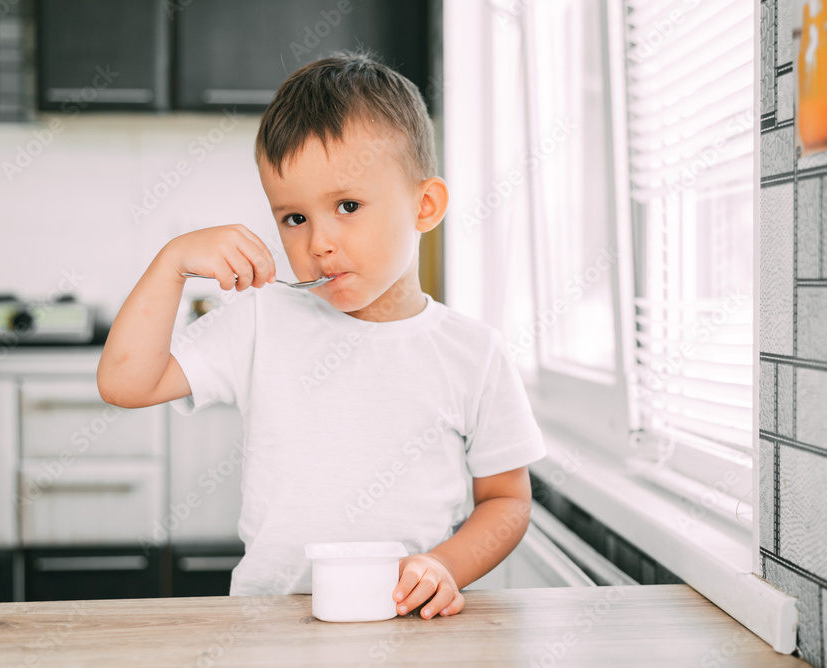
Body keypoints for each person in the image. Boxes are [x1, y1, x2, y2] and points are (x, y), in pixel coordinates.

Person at [96, 53, 546, 620]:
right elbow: (125, 384)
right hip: (269, 626)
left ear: (425, 206)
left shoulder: (474, 354)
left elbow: (507, 500)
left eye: (348, 206)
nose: (318, 243)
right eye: (294, 218)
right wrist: (172, 264)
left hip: (409, 626)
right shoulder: (260, 320)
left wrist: (445, 565)